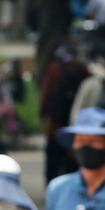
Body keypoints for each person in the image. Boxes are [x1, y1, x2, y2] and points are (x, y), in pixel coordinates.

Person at [39, 46, 92, 183]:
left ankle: (52, 190)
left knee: (53, 162)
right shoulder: (83, 69)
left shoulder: (55, 68)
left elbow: (47, 92)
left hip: (56, 125)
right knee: (73, 161)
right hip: (77, 126)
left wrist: (42, 113)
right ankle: (73, 189)